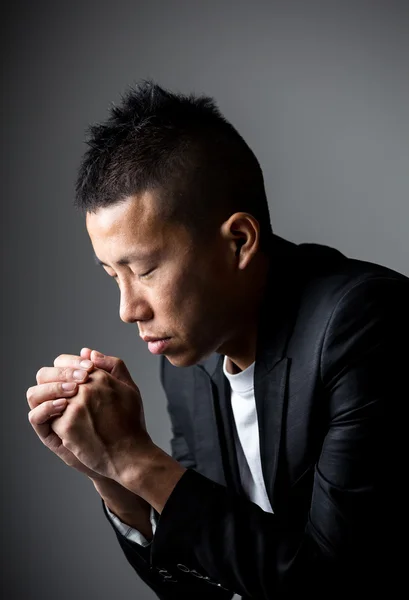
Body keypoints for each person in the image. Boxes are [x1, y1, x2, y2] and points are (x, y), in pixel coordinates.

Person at [26, 81, 406, 599]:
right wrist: (111, 475)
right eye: (112, 275)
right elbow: (208, 585)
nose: (127, 310)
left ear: (239, 241)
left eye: (145, 270)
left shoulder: (365, 323)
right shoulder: (189, 365)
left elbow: (332, 586)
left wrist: (138, 459)